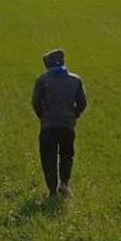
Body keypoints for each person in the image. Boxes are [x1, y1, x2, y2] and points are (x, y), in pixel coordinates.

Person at [32, 48, 87, 197]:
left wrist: (42, 117)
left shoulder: (42, 80)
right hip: (67, 125)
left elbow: (36, 103)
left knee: (48, 156)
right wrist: (73, 115)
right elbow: (82, 103)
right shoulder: (76, 80)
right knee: (66, 155)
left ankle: (51, 190)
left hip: (48, 124)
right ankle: (64, 183)